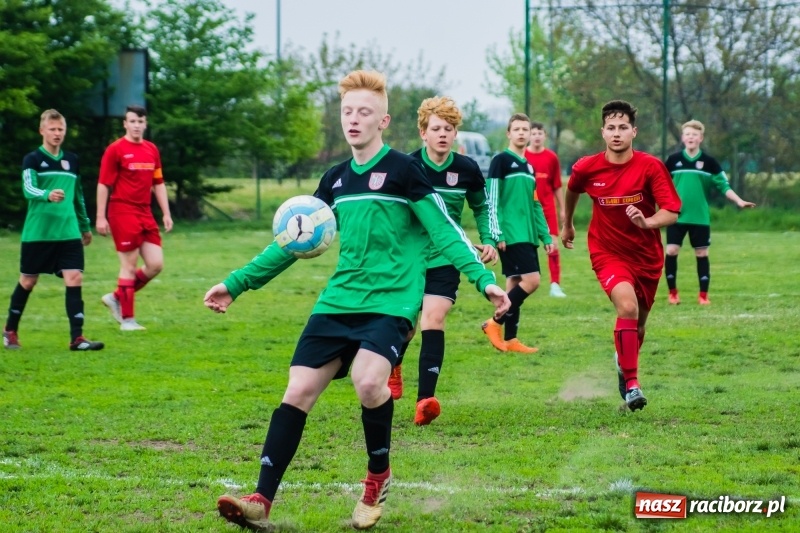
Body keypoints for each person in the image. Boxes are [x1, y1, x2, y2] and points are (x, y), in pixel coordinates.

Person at [205, 71, 510, 531]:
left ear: (382, 120)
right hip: (338, 301)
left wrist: (483, 280)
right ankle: (260, 500)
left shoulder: (406, 172)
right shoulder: (335, 179)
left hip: (391, 302)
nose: (353, 119)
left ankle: (376, 479)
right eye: (347, 111)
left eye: (364, 112)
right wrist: (236, 283)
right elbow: (292, 239)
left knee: (370, 384)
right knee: (297, 392)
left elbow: (446, 232)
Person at [561, 100, 681, 411]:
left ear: (633, 132)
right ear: (603, 132)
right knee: (626, 306)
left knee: (638, 325)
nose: (617, 133)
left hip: (647, 257)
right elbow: (572, 189)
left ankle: (622, 362)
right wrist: (568, 224)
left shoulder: (650, 167)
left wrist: (648, 222)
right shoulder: (587, 167)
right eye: (611, 128)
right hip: (607, 252)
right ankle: (632, 385)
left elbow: (671, 211)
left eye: (623, 128)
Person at [387, 96, 499, 426]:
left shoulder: (465, 169)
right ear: (423, 132)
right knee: (404, 328)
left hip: (447, 258)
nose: (442, 134)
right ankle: (394, 364)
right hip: (410, 260)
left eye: (448, 129)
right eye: (435, 128)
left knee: (433, 320)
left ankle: (426, 401)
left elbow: (482, 206)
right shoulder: (408, 167)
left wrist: (489, 239)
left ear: (455, 133)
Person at [2, 109, 104, 352]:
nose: (57, 133)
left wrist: (84, 225)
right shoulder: (33, 160)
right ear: (42, 131)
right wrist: (48, 194)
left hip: (68, 232)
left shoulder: (72, 160)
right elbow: (28, 189)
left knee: (75, 277)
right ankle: (10, 331)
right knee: (28, 281)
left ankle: (77, 338)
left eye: (61, 129)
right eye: (53, 129)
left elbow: (77, 196)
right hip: (38, 233)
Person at [482, 113, 555, 354]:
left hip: (528, 234)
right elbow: (491, 199)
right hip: (511, 234)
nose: (522, 133)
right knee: (532, 281)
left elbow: (535, 204)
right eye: (518, 129)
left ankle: (511, 340)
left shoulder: (528, 166)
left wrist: (545, 235)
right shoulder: (500, 160)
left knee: (514, 284)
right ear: (509, 133)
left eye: (525, 129)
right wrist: (497, 233)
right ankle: (494, 323)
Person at [96, 105, 173, 331]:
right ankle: (127, 320)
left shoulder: (151, 150)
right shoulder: (115, 149)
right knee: (128, 265)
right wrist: (101, 217)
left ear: (145, 124)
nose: (137, 125)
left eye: (140, 122)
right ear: (125, 124)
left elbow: (158, 183)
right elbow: (103, 184)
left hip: (145, 212)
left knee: (156, 264)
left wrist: (166, 213)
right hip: (122, 211)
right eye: (132, 121)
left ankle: (116, 297)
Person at [664, 119, 756, 305]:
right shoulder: (673, 161)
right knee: (672, 251)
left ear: (701, 138)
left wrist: (739, 201)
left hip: (700, 217)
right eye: (688, 134)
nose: (691, 137)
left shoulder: (709, 163)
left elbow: (723, 185)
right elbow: (660, 185)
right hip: (676, 216)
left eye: (695, 134)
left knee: (702, 254)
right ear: (683, 138)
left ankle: (703, 296)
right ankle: (673, 293)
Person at [525, 122, 567, 298]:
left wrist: (563, 209)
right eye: (533, 133)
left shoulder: (551, 157)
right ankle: (526, 282)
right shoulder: (522, 156)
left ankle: (555, 285)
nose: (536, 136)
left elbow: (557, 186)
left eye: (539, 133)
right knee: (526, 245)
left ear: (545, 136)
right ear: (529, 135)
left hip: (548, 209)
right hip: (526, 209)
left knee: (553, 246)